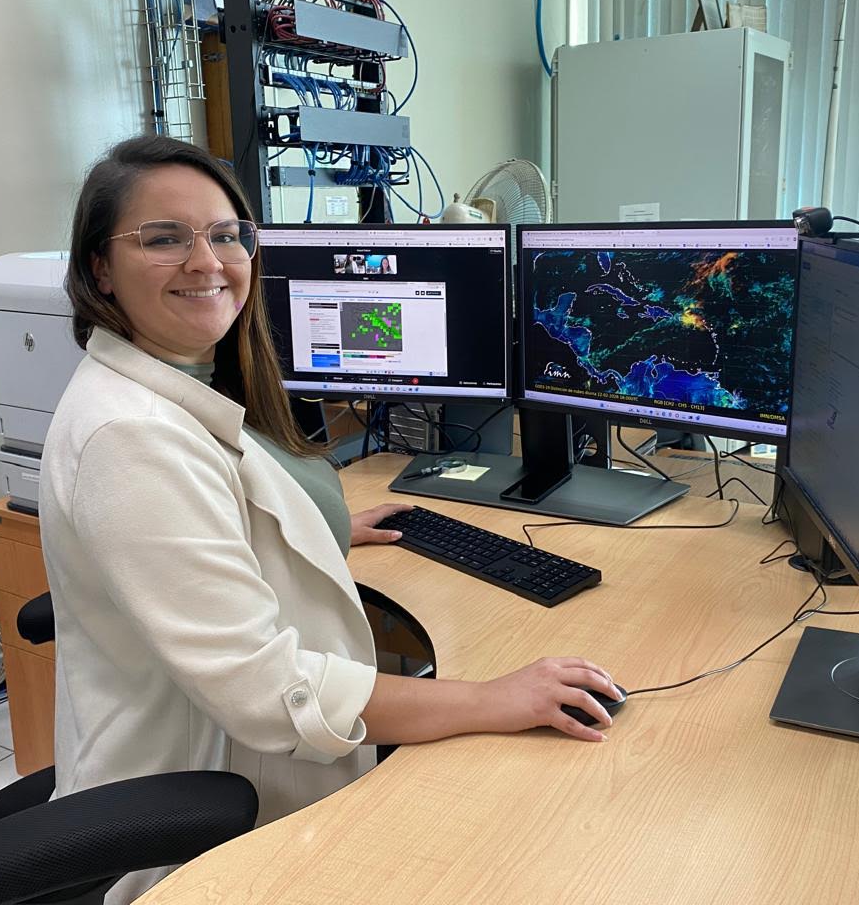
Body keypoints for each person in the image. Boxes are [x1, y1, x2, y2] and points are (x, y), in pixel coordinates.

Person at [40, 135, 622, 902]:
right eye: (164, 238)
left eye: (226, 235)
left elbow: (198, 526)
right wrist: (494, 698)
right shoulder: (129, 436)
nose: (207, 261)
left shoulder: (174, 386)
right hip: (190, 838)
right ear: (99, 269)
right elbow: (269, 693)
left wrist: (308, 530)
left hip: (231, 778)